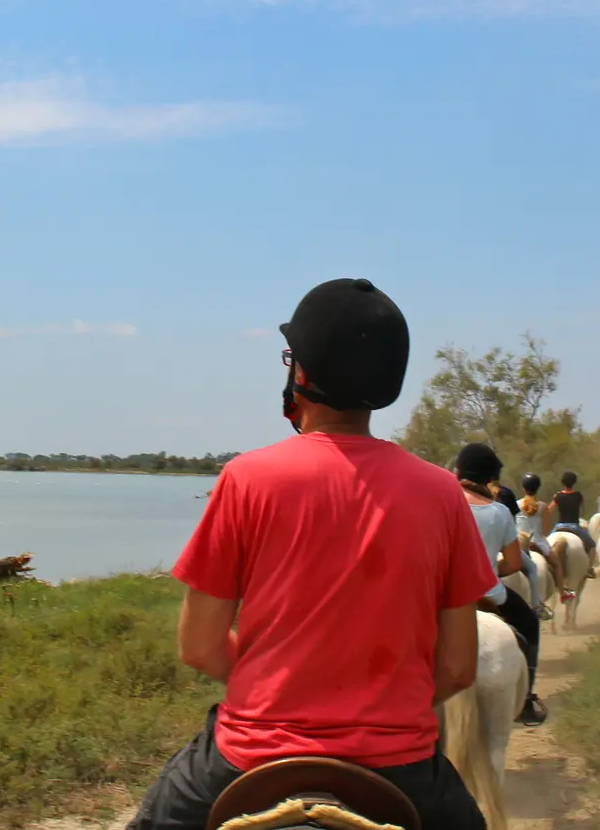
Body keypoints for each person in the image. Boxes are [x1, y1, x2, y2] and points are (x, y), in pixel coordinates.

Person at [126, 278, 497, 830]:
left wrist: (275, 693)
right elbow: (459, 666)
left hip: (246, 758)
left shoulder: (245, 479)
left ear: (300, 373)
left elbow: (199, 647)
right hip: (402, 769)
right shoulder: (443, 493)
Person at [453, 442, 547, 726]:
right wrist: (492, 570)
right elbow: (514, 564)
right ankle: (527, 699)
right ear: (490, 478)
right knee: (530, 625)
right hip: (489, 594)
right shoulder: (499, 512)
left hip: (445, 595)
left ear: (459, 471)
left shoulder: (442, 502)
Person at [516, 473, 573, 605]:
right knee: (557, 564)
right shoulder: (542, 506)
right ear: (538, 488)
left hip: (520, 543)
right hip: (538, 543)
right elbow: (546, 530)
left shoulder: (516, 504)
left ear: (523, 488)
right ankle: (562, 594)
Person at [546, 471, 593, 574]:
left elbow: (548, 510)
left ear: (563, 482)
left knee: (546, 546)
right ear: (574, 482)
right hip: (574, 526)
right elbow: (583, 511)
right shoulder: (578, 495)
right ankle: (589, 569)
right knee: (592, 545)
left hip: (559, 526)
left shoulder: (557, 496)